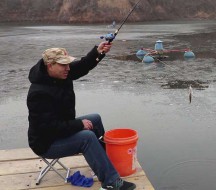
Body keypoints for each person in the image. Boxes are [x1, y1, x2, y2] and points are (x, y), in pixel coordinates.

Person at [27, 41, 136, 190]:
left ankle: (105, 164)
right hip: (47, 142)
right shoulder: (38, 94)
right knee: (87, 137)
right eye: (63, 65)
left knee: (95, 118)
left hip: (61, 129)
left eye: (68, 64)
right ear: (50, 65)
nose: (68, 68)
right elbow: (48, 128)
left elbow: (83, 65)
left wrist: (99, 52)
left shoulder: (61, 74)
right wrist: (79, 125)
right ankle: (111, 182)